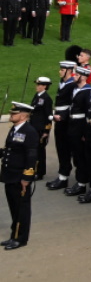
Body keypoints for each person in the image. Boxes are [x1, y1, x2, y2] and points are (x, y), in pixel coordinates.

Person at [2, 101, 38, 250]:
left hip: (19, 176)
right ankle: (13, 235)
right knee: (13, 207)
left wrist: (27, 177)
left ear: (23, 116)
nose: (11, 115)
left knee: (21, 209)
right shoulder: (15, 129)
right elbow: (11, 150)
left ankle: (20, 238)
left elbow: (31, 156)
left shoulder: (29, 132)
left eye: (14, 113)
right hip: (10, 174)